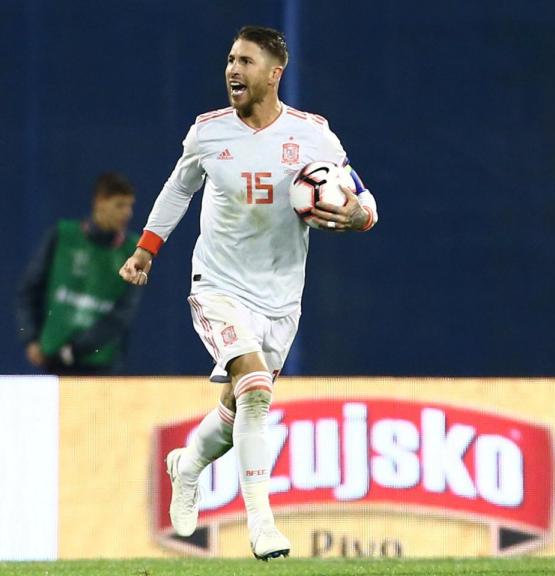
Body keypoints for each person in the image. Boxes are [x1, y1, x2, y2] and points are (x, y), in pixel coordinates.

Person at [118, 26, 378, 560]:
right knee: (256, 388)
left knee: (237, 408)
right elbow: (178, 188)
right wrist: (146, 249)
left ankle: (187, 465)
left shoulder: (314, 136)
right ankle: (262, 524)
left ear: (275, 73)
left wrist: (355, 214)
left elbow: (364, 201)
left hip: (281, 297)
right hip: (218, 285)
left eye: (246, 62)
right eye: (231, 60)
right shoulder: (208, 132)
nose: (233, 70)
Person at [16, 172, 142, 375]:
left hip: (104, 369)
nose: (127, 213)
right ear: (99, 202)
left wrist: (73, 351)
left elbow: (123, 315)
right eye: (119, 205)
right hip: (53, 364)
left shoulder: (133, 252)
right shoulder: (62, 236)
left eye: (130, 206)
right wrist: (30, 338)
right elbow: (29, 290)